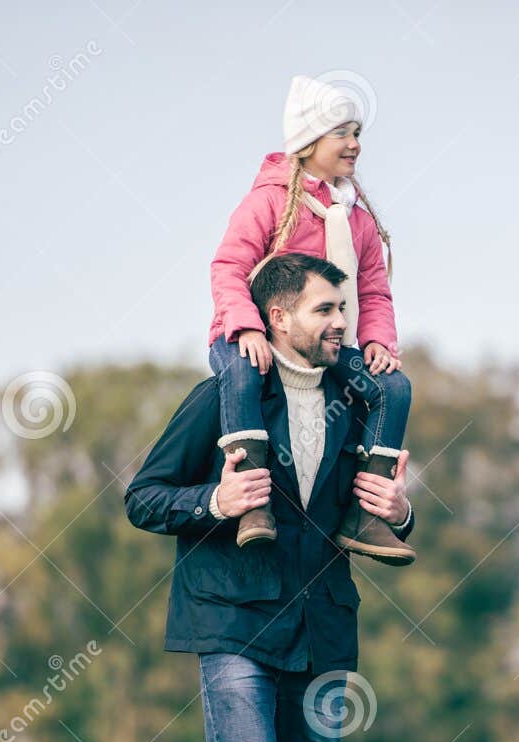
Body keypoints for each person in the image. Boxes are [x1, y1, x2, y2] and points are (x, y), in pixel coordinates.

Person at [125, 253, 416, 742]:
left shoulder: (358, 403)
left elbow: (374, 511)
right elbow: (144, 496)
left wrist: (400, 511)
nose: (342, 325)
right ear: (278, 317)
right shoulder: (225, 398)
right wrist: (215, 503)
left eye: (344, 311)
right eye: (325, 311)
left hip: (322, 639)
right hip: (232, 632)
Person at [207, 74, 414, 565]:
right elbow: (228, 266)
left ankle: (369, 514)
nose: (354, 144)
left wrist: (378, 341)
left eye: (358, 133)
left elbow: (373, 291)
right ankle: (252, 506)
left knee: (394, 387)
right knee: (240, 373)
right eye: (342, 132)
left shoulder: (357, 220)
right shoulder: (271, 202)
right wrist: (247, 326)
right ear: (308, 141)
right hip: (251, 335)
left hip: (323, 344)